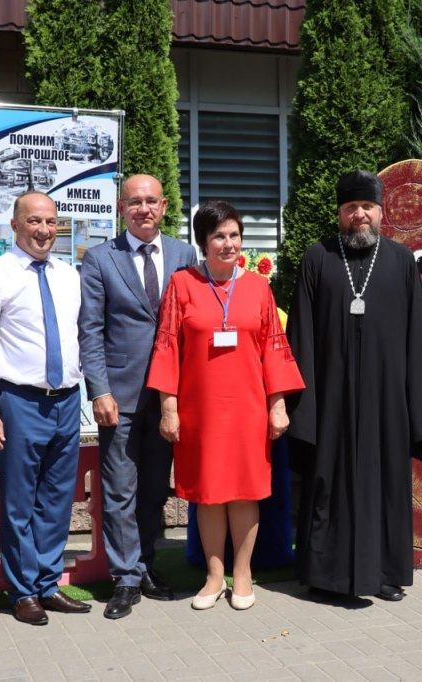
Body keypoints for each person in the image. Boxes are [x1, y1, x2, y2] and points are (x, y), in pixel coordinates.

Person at [286, 170, 422, 602]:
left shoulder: (400, 260)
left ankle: (383, 572)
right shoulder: (317, 258)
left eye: (366, 207)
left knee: (386, 484)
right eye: (350, 208)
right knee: (329, 482)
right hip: (331, 397)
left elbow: (418, 336)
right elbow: (301, 335)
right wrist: (301, 404)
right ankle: (328, 576)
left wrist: (420, 407)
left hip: (385, 400)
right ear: (340, 213)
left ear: (381, 212)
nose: (358, 214)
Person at [147, 200, 304, 611]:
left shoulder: (258, 287)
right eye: (219, 236)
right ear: (203, 241)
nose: (228, 243)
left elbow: (274, 349)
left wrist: (278, 405)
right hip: (200, 410)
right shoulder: (182, 285)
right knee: (210, 494)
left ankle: (244, 573)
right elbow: (166, 348)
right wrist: (169, 407)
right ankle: (214, 577)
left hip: (249, 408)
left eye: (234, 235)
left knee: (245, 493)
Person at [0, 191, 92, 624]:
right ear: (15, 225)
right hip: (19, 402)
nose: (44, 230)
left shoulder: (68, 275)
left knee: (57, 501)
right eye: (34, 221)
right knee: (19, 503)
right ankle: (22, 592)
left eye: (51, 222)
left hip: (66, 401)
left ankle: (47, 584)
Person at [78, 174, 197, 620]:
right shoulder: (100, 259)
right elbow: (89, 329)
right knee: (120, 488)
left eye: (151, 202)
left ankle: (147, 564)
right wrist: (100, 390)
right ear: (120, 209)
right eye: (134, 203)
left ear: (164, 207)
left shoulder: (185, 255)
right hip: (121, 398)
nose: (143, 209)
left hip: (169, 397)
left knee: (152, 491)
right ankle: (125, 578)